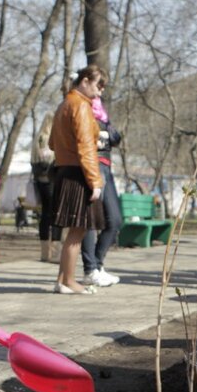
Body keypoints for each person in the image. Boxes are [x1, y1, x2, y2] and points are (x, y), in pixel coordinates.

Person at [50, 65, 107, 294]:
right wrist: (95, 181)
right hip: (79, 173)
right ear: (85, 81)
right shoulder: (81, 106)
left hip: (65, 169)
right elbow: (85, 147)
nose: (100, 91)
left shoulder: (64, 104)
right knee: (78, 231)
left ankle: (63, 280)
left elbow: (52, 143)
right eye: (98, 84)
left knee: (73, 231)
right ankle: (69, 281)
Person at [79, 95, 123, 287]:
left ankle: (97, 264)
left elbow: (116, 137)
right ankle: (90, 269)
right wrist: (100, 136)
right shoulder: (81, 110)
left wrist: (105, 134)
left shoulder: (103, 117)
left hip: (106, 167)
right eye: (98, 86)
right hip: (91, 166)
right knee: (91, 220)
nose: (99, 91)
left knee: (115, 220)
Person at [31, 114, 61, 262]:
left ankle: (45, 253)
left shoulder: (37, 138)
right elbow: (47, 157)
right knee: (55, 215)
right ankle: (54, 253)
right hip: (50, 180)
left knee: (45, 216)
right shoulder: (46, 138)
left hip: (39, 180)